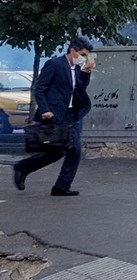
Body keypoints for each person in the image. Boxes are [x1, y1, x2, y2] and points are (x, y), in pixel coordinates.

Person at [13, 36, 94, 196]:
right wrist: (44, 109)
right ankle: (23, 167)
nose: (84, 59)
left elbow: (80, 89)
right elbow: (39, 88)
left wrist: (86, 72)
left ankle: (61, 187)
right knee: (56, 151)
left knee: (75, 150)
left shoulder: (78, 69)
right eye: (83, 55)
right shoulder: (55, 64)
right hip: (55, 115)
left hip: (72, 115)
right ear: (73, 51)